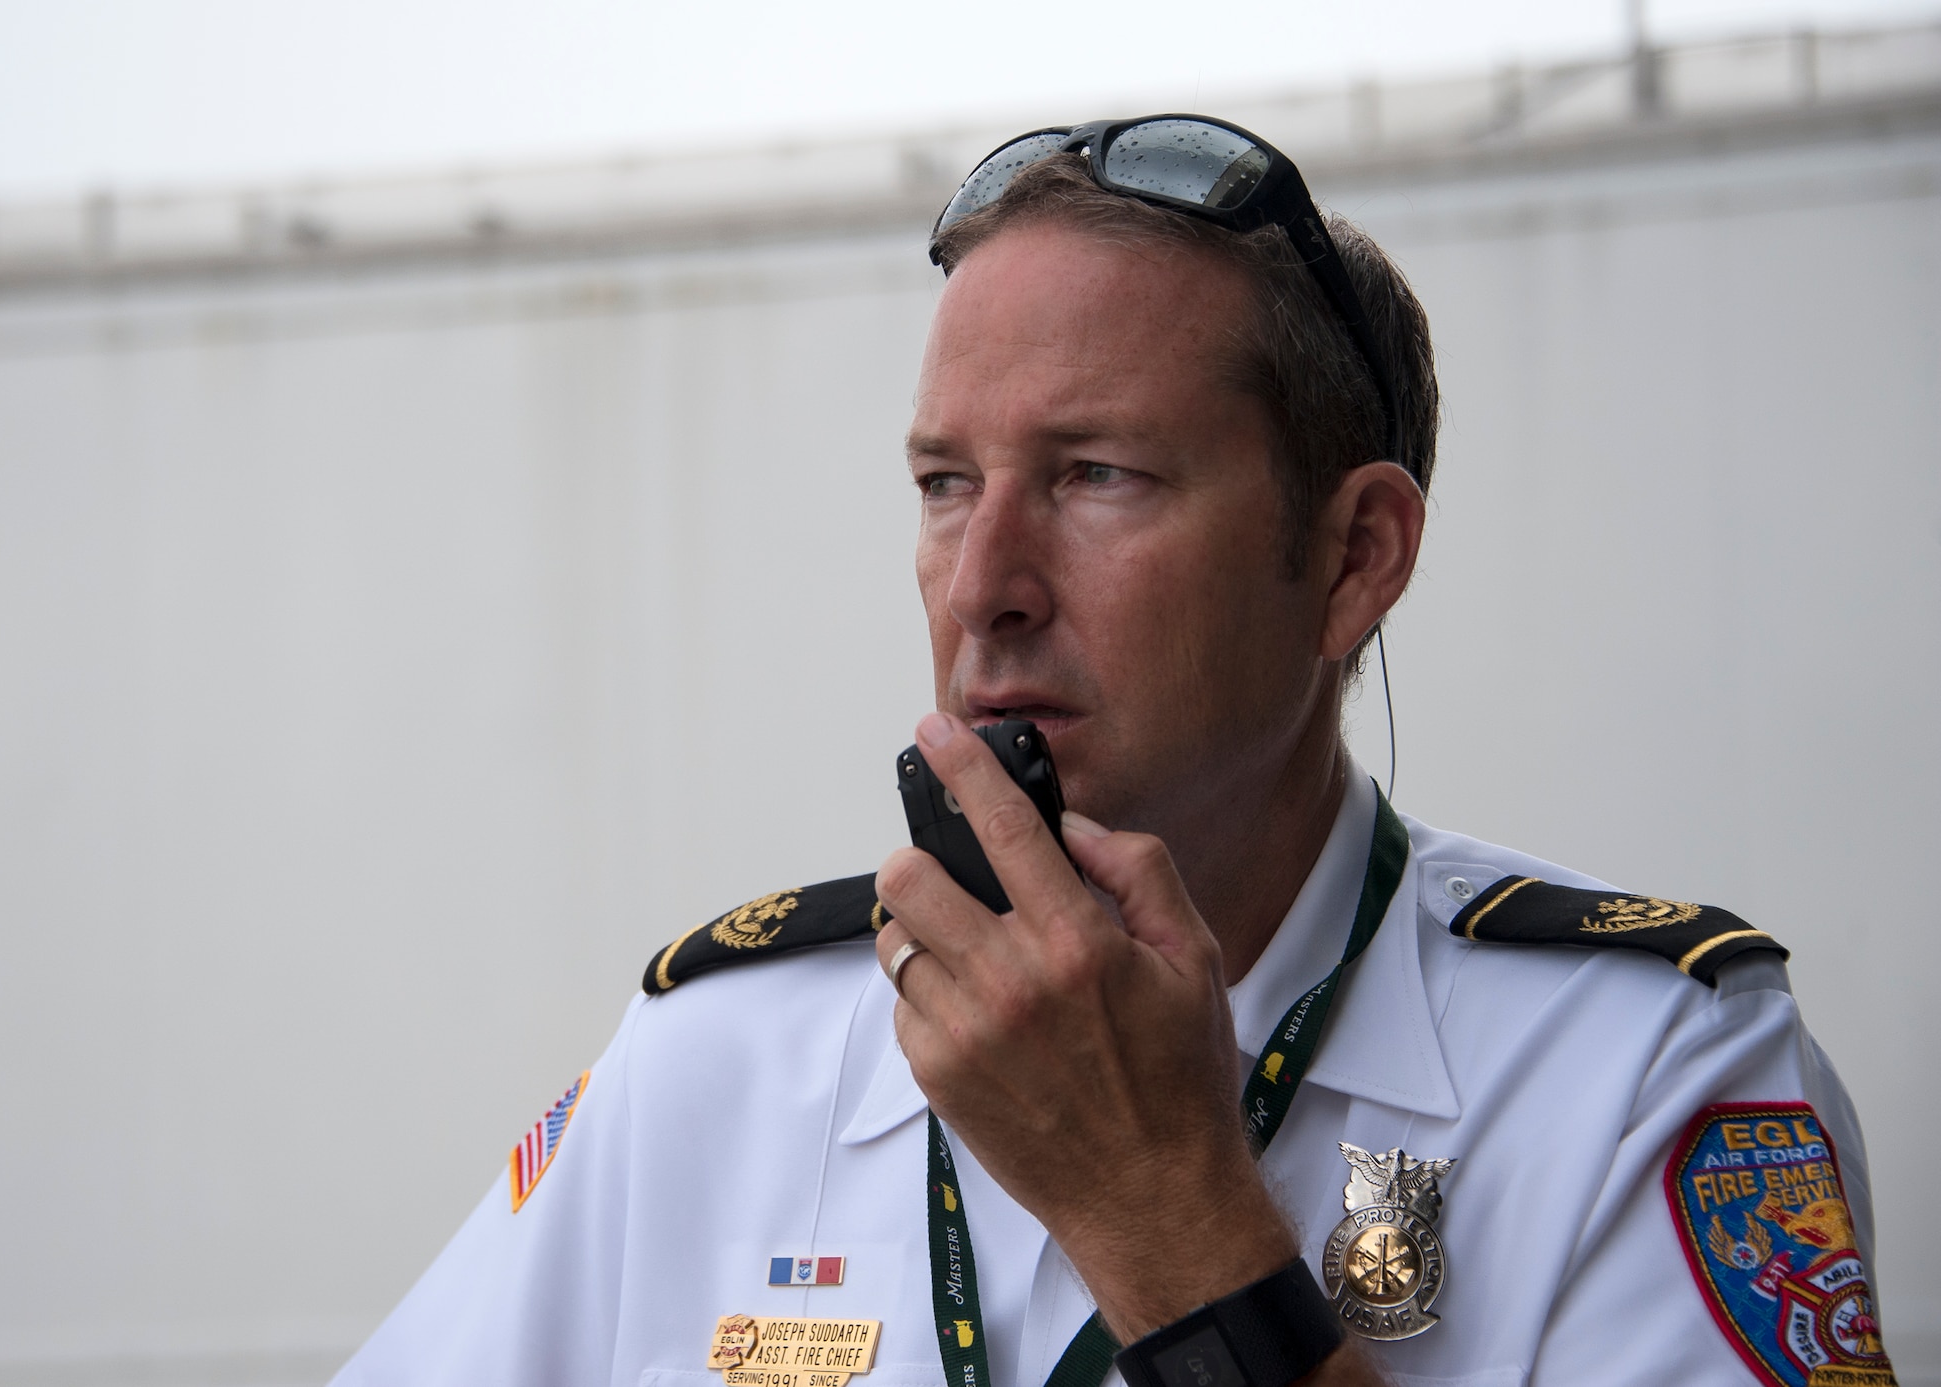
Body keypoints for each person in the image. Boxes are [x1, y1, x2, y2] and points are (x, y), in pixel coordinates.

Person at [333, 117, 1896, 1387]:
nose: (984, 583)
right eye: (947, 484)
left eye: (1097, 476)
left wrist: (1165, 1216)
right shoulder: (718, 1058)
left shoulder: (1646, 1073)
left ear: (1354, 558)